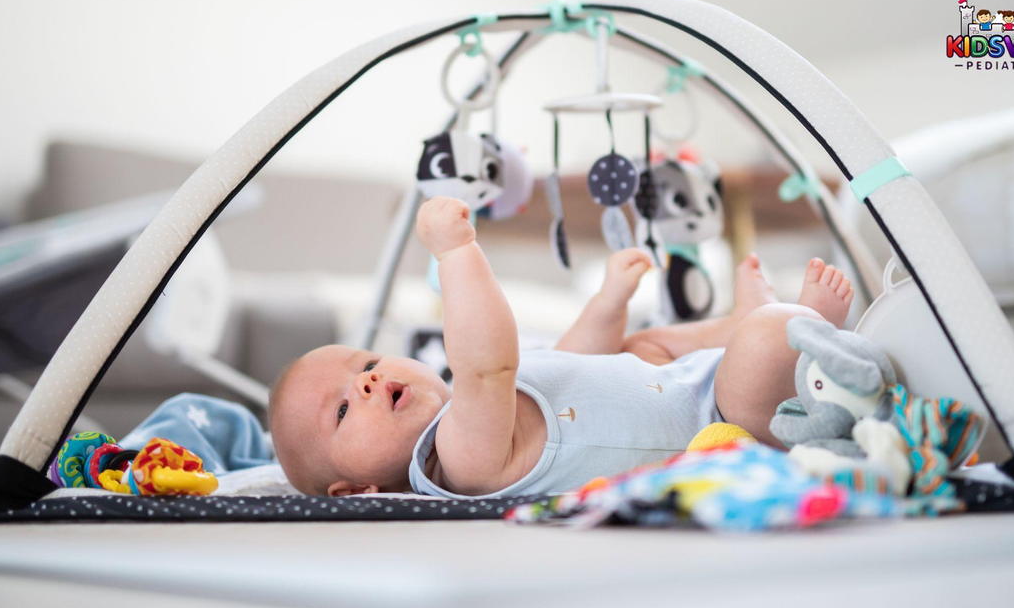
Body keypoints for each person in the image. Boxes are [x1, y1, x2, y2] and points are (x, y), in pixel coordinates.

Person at [270, 196, 854, 499]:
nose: (367, 382)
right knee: (759, 345)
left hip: (684, 380)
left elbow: (576, 358)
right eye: (343, 410)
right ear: (358, 491)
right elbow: (484, 365)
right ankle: (799, 330)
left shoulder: (480, 413)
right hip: (725, 421)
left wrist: (606, 303)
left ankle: (744, 322)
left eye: (366, 363)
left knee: (640, 342)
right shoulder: (463, 459)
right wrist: (455, 254)